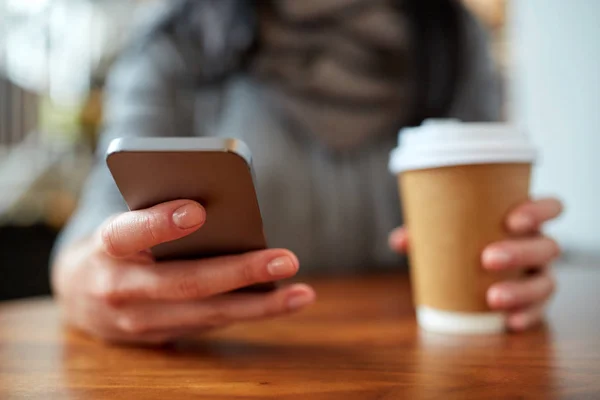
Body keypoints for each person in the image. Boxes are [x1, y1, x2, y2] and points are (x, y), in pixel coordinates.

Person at [52, 0, 562, 344]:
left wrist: (512, 263)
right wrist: (85, 278)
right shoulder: (180, 32)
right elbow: (91, 235)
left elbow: (487, 208)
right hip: (227, 362)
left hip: (426, 359)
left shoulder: (453, 37)